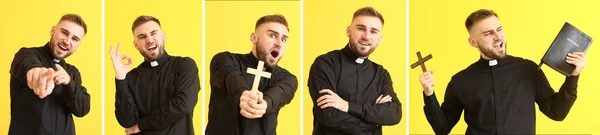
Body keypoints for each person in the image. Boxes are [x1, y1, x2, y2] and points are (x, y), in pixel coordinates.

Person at [419, 9, 587, 134]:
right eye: (488, 33)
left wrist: (574, 76)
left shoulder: (528, 70)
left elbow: (556, 112)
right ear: (473, 42)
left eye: (499, 29)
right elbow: (442, 128)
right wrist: (429, 93)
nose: (498, 37)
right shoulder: (460, 81)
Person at [308, 7, 402, 135]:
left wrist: (346, 106)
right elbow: (328, 115)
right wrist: (373, 123)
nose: (366, 36)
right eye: (361, 28)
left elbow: (394, 114)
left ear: (380, 39)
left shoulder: (381, 74)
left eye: (373, 31)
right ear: (348, 31)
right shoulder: (326, 63)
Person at [205, 14, 298, 135]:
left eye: (284, 39)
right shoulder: (224, 60)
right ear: (254, 38)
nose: (279, 43)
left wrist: (265, 103)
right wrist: (242, 93)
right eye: (272, 35)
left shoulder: (287, 78)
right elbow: (231, 76)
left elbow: (281, 92)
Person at [110, 15, 200, 135]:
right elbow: (127, 121)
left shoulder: (184, 66)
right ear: (136, 45)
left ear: (164, 36)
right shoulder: (131, 77)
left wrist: (141, 125)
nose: (149, 40)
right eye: (142, 37)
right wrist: (120, 78)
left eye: (154, 33)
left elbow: (183, 104)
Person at [9, 14, 91, 135]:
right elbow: (26, 63)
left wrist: (69, 83)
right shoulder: (27, 54)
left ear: (78, 45)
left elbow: (82, 109)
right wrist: (35, 71)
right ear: (53, 30)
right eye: (64, 33)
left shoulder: (73, 73)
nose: (67, 41)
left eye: (75, 39)